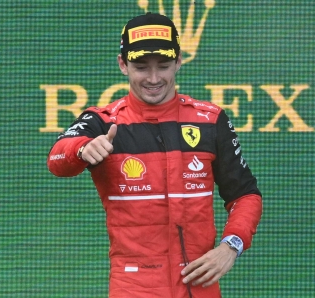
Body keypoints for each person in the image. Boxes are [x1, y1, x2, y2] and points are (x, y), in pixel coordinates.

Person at [47, 12, 262, 298]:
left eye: (163, 66)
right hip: (134, 288)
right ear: (122, 64)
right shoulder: (102, 121)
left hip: (200, 286)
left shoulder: (210, 120)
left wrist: (231, 246)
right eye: (140, 67)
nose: (153, 78)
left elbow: (245, 194)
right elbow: (57, 160)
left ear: (179, 62)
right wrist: (82, 149)